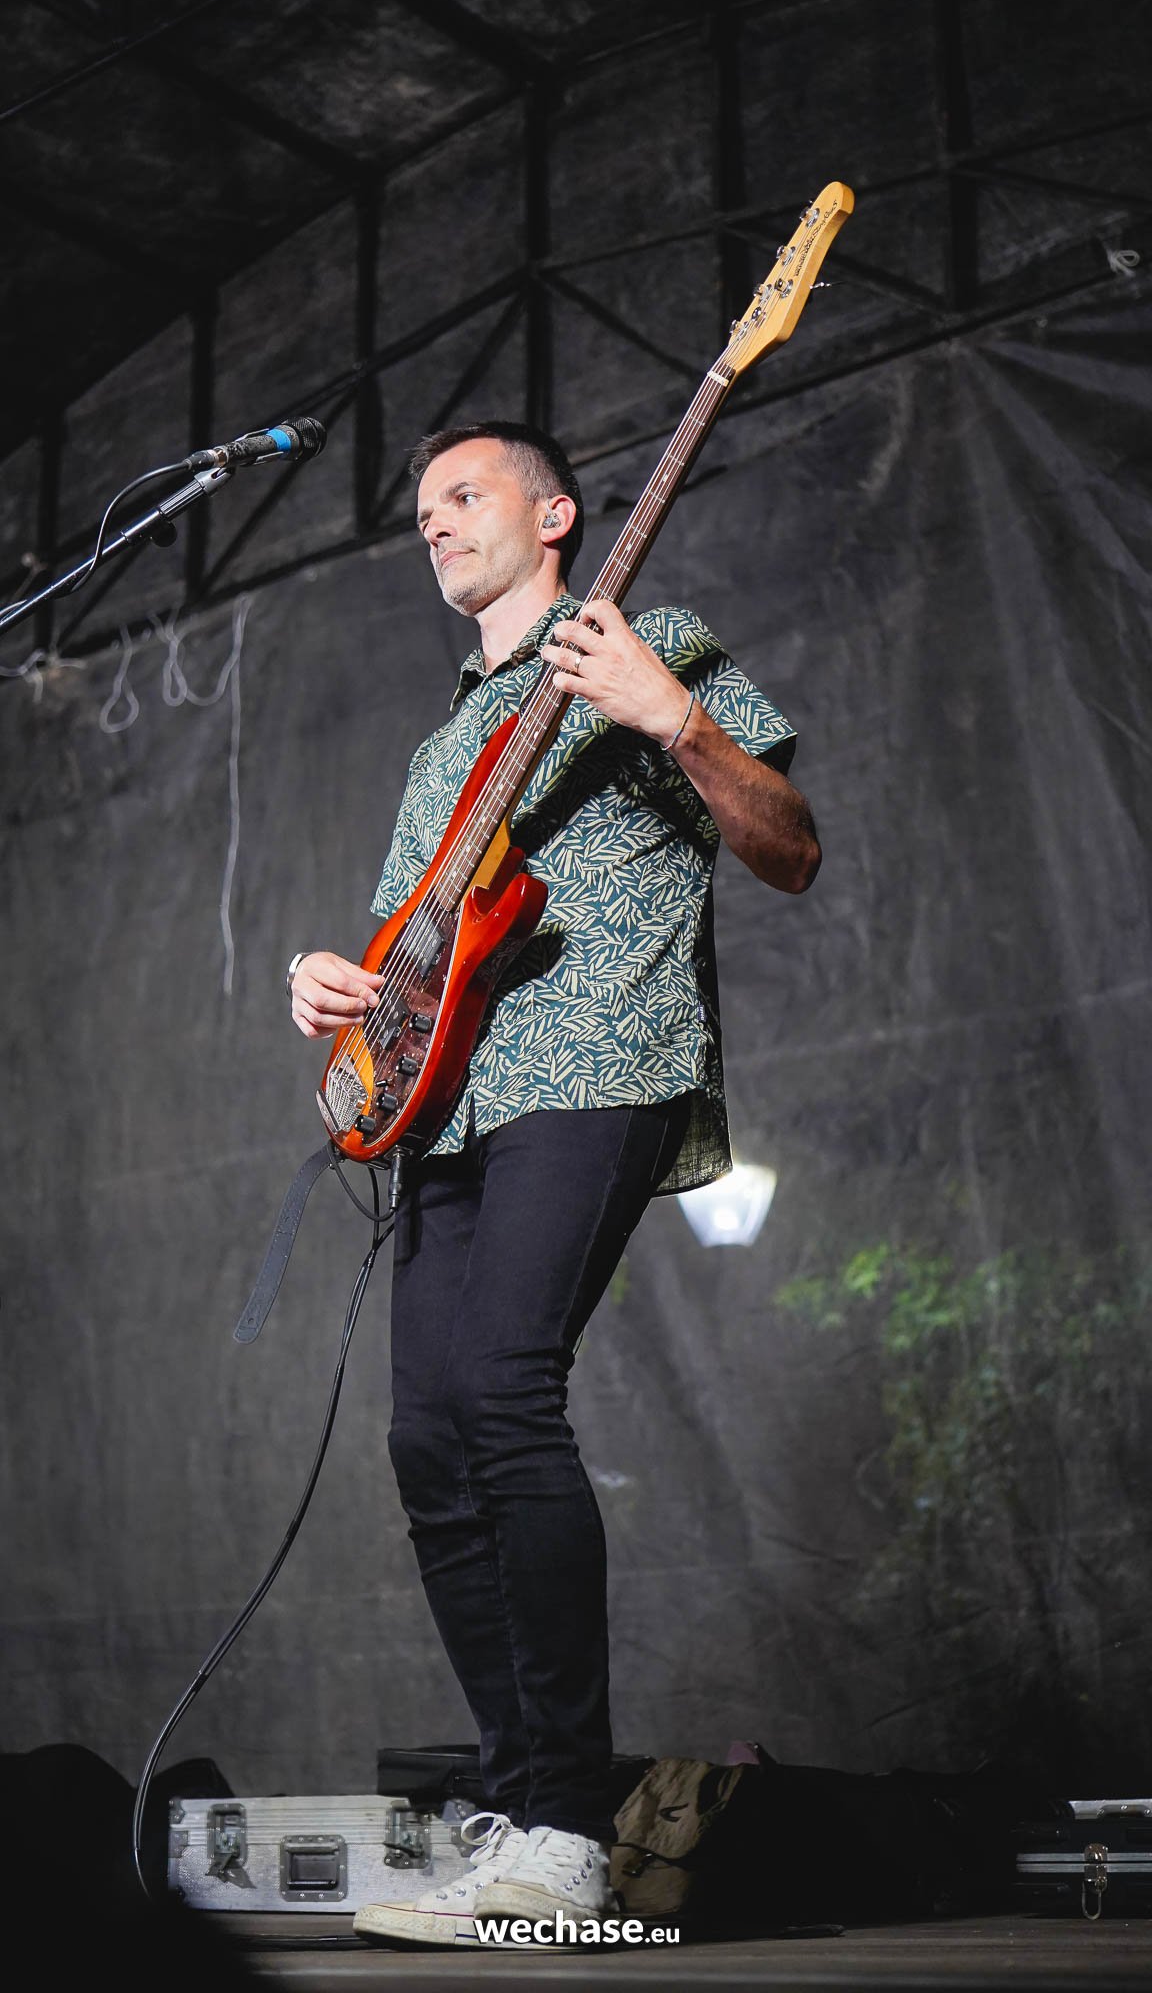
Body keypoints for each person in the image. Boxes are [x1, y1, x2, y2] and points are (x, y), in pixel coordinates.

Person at [287, 420, 820, 1946]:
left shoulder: (653, 644)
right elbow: (412, 955)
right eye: (422, 507)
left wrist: (674, 720)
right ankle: (525, 1817)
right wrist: (335, 984)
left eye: (465, 494)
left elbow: (790, 849)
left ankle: (573, 1835)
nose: (435, 521)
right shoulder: (437, 750)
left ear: (557, 514)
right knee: (426, 1437)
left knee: (504, 1393)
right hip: (451, 1104)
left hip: (596, 1063)